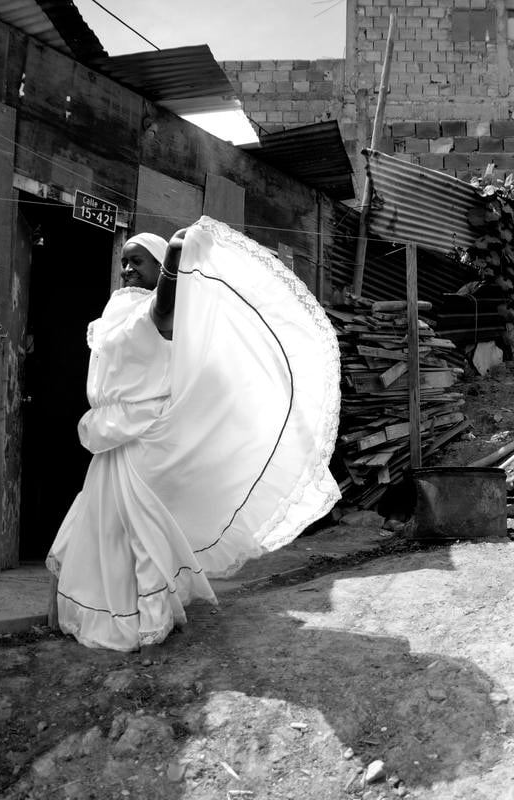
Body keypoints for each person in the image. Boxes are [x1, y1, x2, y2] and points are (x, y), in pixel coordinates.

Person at [47, 218, 342, 651]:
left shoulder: (164, 314)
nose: (127, 269)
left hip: (144, 441)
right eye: (124, 262)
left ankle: (149, 620)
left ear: (158, 270)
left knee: (142, 532)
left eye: (138, 262)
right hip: (112, 439)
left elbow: (161, 312)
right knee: (103, 529)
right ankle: (109, 609)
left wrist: (174, 257)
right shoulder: (114, 313)